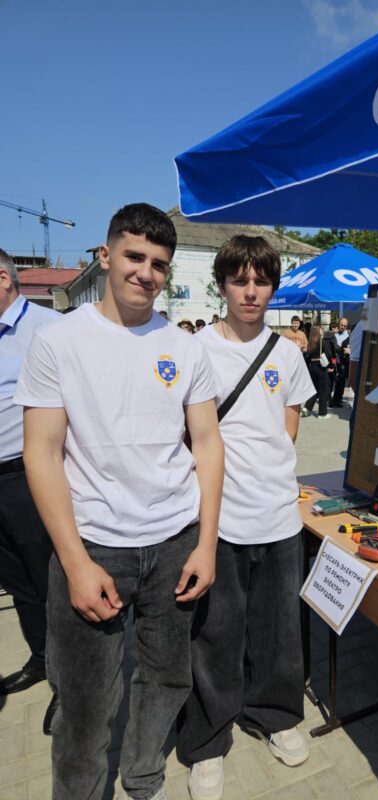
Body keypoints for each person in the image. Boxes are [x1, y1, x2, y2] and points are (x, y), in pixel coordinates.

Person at [14, 203, 224, 800]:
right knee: (84, 701)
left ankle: (144, 776)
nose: (146, 273)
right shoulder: (58, 341)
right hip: (94, 546)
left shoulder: (184, 347)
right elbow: (41, 452)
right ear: (105, 257)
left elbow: (208, 444)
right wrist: (75, 563)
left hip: (175, 541)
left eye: (159, 264)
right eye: (135, 256)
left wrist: (207, 544)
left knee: (166, 679)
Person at [177, 235, 315, 800]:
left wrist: (267, 471)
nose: (251, 291)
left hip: (279, 515)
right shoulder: (196, 349)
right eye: (240, 280)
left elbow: (289, 423)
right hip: (219, 518)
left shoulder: (287, 352)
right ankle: (208, 739)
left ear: (272, 287)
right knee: (215, 634)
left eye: (261, 281)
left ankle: (276, 715)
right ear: (222, 285)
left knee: (279, 630)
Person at [0, 249, 58, 703]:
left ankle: (67, 677)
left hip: (28, 476)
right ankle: (40, 658)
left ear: (3, 279)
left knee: (49, 580)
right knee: (17, 581)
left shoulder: (48, 329)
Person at [301, 324, 334, 419]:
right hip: (321, 367)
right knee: (323, 390)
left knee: (315, 389)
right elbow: (328, 354)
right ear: (318, 331)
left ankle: (307, 408)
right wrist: (330, 365)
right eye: (321, 329)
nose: (322, 330)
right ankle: (322, 413)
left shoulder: (310, 343)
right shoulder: (321, 341)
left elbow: (307, 356)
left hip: (312, 367)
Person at [330, 317, 349, 407]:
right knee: (331, 379)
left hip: (342, 360)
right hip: (333, 359)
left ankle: (338, 399)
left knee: (341, 381)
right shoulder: (334, 333)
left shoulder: (348, 335)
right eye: (341, 325)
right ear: (338, 324)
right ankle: (330, 399)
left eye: (345, 326)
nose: (343, 327)